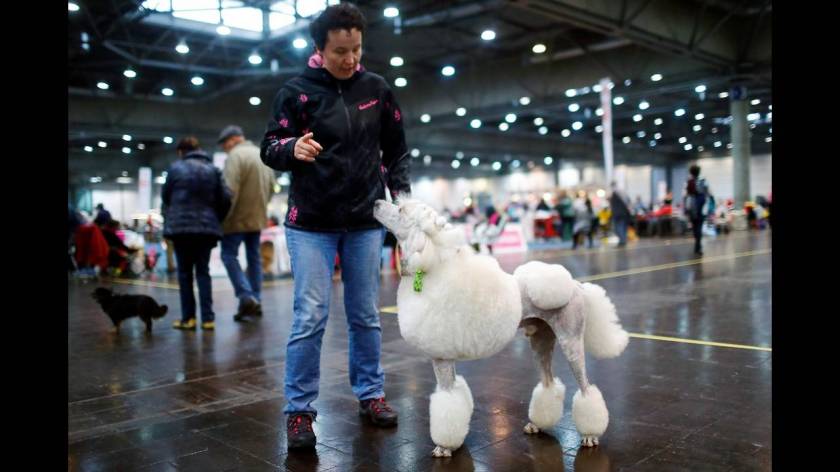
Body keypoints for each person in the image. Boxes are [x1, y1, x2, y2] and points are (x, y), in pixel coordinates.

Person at [259, 3, 409, 449]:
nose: (350, 59)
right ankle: (300, 412)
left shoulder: (377, 89)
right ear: (319, 49)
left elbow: (397, 151)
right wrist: (291, 148)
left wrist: (399, 201)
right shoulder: (296, 92)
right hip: (310, 223)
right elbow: (269, 146)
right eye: (340, 51)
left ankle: (371, 394)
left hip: (365, 221)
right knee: (310, 316)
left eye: (357, 49)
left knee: (366, 316)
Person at [162, 137, 231, 331]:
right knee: (203, 272)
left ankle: (188, 319)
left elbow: (166, 197)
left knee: (184, 274)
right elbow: (225, 199)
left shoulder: (175, 169)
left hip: (180, 230)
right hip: (206, 229)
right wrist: (215, 218)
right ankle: (208, 319)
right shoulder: (213, 170)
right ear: (199, 149)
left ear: (180, 151)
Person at [217, 125, 276, 322]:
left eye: (225, 145)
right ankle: (255, 301)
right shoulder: (261, 154)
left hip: (236, 219)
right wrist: (262, 210)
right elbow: (271, 188)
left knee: (228, 255)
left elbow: (229, 192)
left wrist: (221, 218)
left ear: (233, 140)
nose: (225, 149)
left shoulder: (235, 156)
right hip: (257, 219)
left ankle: (245, 296)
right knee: (254, 259)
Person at [683, 164, 709, 255]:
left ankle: (697, 245)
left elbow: (685, 195)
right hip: (701, 206)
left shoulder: (688, 181)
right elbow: (707, 193)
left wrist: (685, 209)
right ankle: (698, 246)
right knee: (699, 226)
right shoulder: (703, 181)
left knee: (695, 227)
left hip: (692, 206)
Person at [609, 182, 632, 247]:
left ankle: (622, 241)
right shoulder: (623, 192)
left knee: (618, 228)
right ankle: (623, 240)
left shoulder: (615, 193)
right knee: (623, 227)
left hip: (618, 214)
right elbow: (628, 202)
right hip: (624, 213)